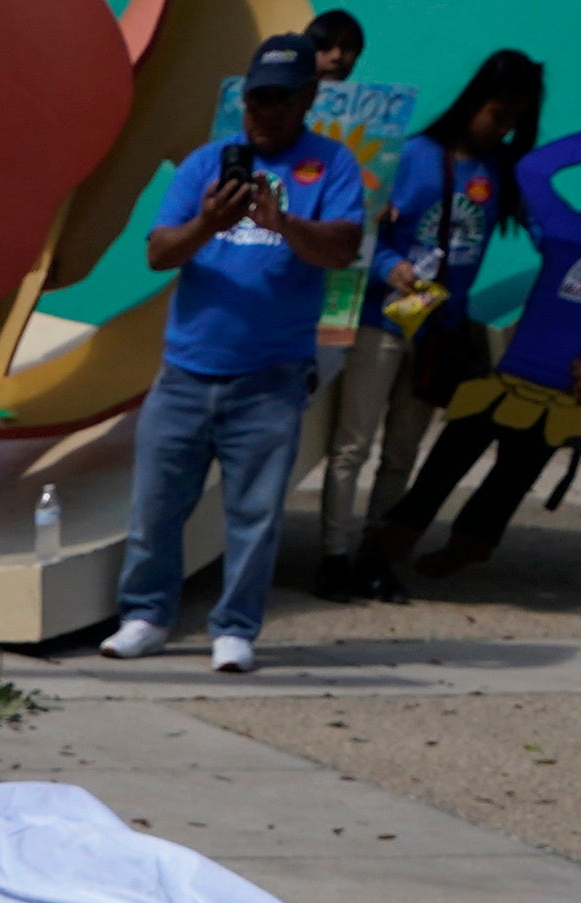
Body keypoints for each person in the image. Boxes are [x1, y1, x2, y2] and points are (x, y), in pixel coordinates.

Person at [106, 42, 381, 672]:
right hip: (185, 371)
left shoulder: (332, 164)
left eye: (282, 99)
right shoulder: (207, 163)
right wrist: (207, 223)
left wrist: (283, 224)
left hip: (270, 378)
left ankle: (234, 628)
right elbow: (159, 253)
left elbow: (341, 249)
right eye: (258, 98)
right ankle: (145, 615)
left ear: (309, 99)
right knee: (154, 505)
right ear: (243, 99)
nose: (266, 112)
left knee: (254, 515)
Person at [353, 94, 581, 599]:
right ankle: (390, 544)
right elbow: (532, 172)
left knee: (511, 478)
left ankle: (468, 544)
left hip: (565, 391)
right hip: (508, 379)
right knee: (448, 457)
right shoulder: (565, 225)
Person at [317, 47, 543, 592]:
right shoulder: (409, 155)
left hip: (439, 331)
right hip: (381, 319)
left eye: (516, 120)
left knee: (402, 452)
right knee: (353, 444)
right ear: (475, 102)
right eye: (499, 114)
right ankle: (333, 557)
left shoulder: (505, 172)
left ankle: (378, 557)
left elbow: (546, 231)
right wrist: (392, 268)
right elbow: (362, 229)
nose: (504, 128)